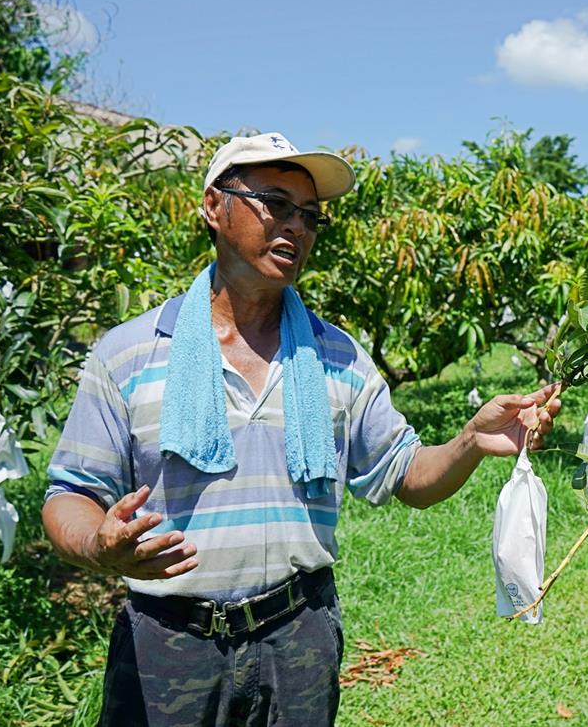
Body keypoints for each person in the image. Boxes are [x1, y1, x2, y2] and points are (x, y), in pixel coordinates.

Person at [40, 132, 561, 727]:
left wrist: (470, 441)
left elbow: (405, 475)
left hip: (299, 637)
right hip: (169, 643)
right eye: (276, 204)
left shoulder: (335, 356)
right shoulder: (130, 353)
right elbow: (71, 494)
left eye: (310, 216)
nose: (297, 226)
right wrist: (99, 545)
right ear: (214, 206)